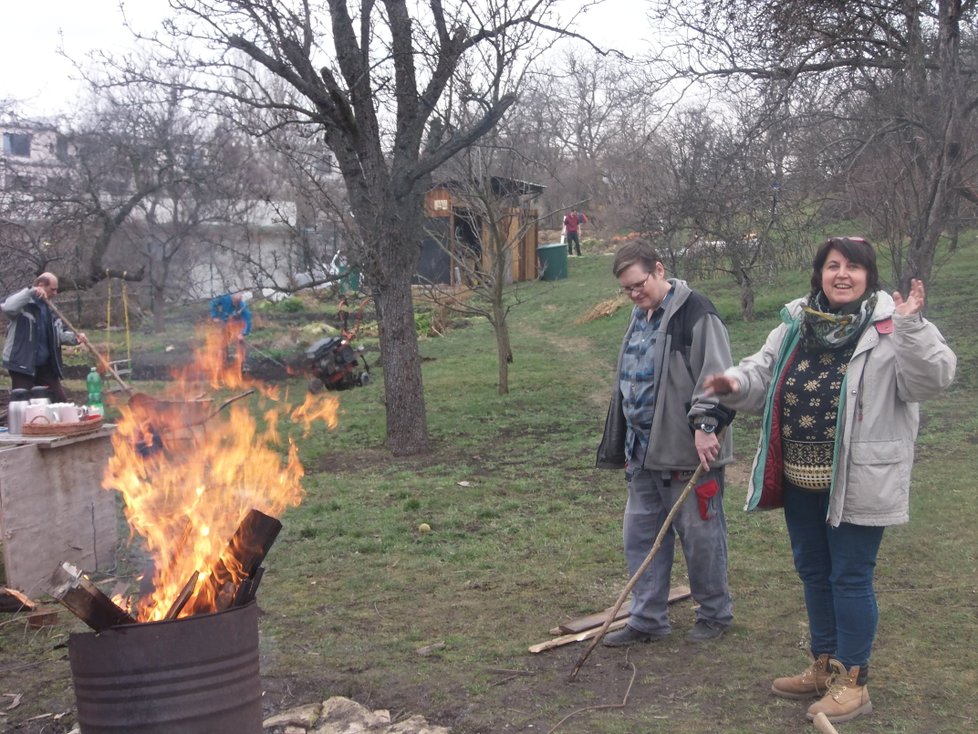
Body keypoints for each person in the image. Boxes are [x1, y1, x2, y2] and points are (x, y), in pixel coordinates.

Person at [704, 237, 956, 724]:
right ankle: (824, 665)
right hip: (800, 477)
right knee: (814, 572)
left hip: (860, 477)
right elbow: (763, 370)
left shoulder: (891, 327)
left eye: (854, 267)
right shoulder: (796, 324)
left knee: (850, 577)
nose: (843, 274)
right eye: (833, 266)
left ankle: (854, 681)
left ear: (869, 276)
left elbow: (934, 380)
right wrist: (734, 383)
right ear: (819, 273)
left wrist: (912, 327)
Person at [596, 239, 735, 646]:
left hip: (688, 453)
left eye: (639, 285)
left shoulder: (697, 312)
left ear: (659, 270)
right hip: (641, 453)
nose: (634, 294)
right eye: (627, 290)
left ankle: (714, 615)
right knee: (640, 537)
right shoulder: (640, 316)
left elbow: (718, 376)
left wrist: (705, 425)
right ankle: (647, 619)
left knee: (701, 537)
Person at [2, 272, 87, 403]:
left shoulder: (50, 309)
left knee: (60, 401)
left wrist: (75, 338)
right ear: (41, 285)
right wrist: (31, 291)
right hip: (22, 364)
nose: (56, 293)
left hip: (45, 366)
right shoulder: (24, 304)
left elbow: (58, 334)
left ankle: (60, 424)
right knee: (23, 403)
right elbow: (7, 308)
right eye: (53, 289)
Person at [209, 292, 253, 367]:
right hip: (225, 323)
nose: (236, 302)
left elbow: (248, 320)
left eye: (239, 300)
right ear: (232, 298)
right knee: (224, 341)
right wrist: (214, 316)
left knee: (240, 341)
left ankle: (242, 362)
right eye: (235, 300)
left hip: (238, 325)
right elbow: (213, 303)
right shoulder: (225, 299)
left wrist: (243, 333)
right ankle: (223, 360)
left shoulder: (242, 306)